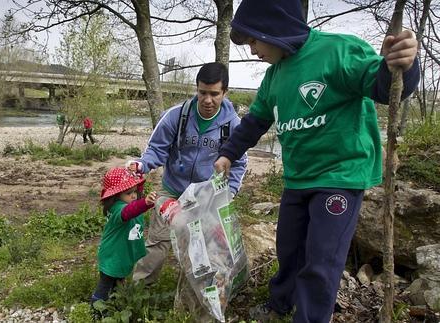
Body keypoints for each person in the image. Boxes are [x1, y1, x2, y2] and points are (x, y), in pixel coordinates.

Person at [214, 1, 420, 322]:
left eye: (254, 40)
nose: (252, 50)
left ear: (274, 28)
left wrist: (402, 64)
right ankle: (280, 303)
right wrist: (228, 154)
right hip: (298, 179)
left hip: (340, 176)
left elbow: (384, 86)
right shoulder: (274, 77)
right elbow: (255, 122)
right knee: (289, 250)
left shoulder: (338, 51)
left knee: (321, 260)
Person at [127, 62, 248, 319]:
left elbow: (239, 162)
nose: (207, 100)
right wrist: (143, 164)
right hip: (172, 191)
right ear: (196, 89)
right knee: (157, 244)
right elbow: (156, 149)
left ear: (225, 93)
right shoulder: (177, 116)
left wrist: (231, 192)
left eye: (214, 94)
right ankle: (136, 297)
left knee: (202, 255)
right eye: (202, 92)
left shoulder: (233, 125)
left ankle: (197, 308)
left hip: (206, 200)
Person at [91, 167, 157, 304]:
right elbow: (129, 212)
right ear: (116, 195)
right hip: (113, 255)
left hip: (120, 254)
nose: (134, 196)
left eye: (135, 191)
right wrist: (145, 203)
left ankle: (115, 305)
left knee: (119, 283)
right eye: (129, 193)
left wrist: (137, 176)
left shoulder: (127, 202)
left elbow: (134, 199)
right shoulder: (118, 209)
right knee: (105, 285)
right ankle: (95, 309)